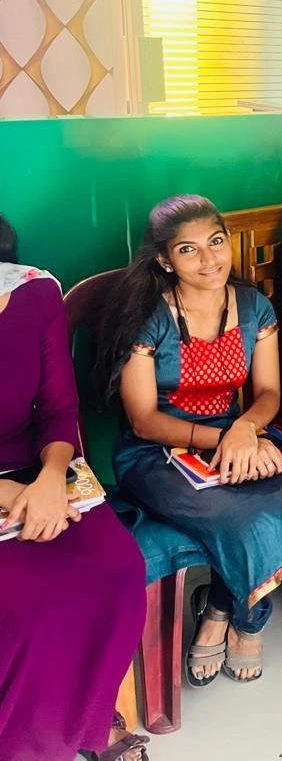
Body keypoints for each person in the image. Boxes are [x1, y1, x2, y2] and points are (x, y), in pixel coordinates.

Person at [102, 196, 282, 685]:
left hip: (237, 436)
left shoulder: (254, 307)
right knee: (239, 515)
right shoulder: (148, 317)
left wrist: (243, 430)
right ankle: (247, 619)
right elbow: (145, 421)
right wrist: (226, 437)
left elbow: (268, 394)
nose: (209, 259)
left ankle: (219, 610)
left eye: (216, 242)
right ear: (165, 260)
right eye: (188, 250)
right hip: (156, 454)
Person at [0, 215, 148, 761]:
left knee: (119, 573)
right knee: (25, 609)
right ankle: (28, 745)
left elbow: (59, 408)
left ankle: (88, 718)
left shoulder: (33, 293)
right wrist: (16, 499)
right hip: (13, 491)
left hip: (40, 470)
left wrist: (47, 479)